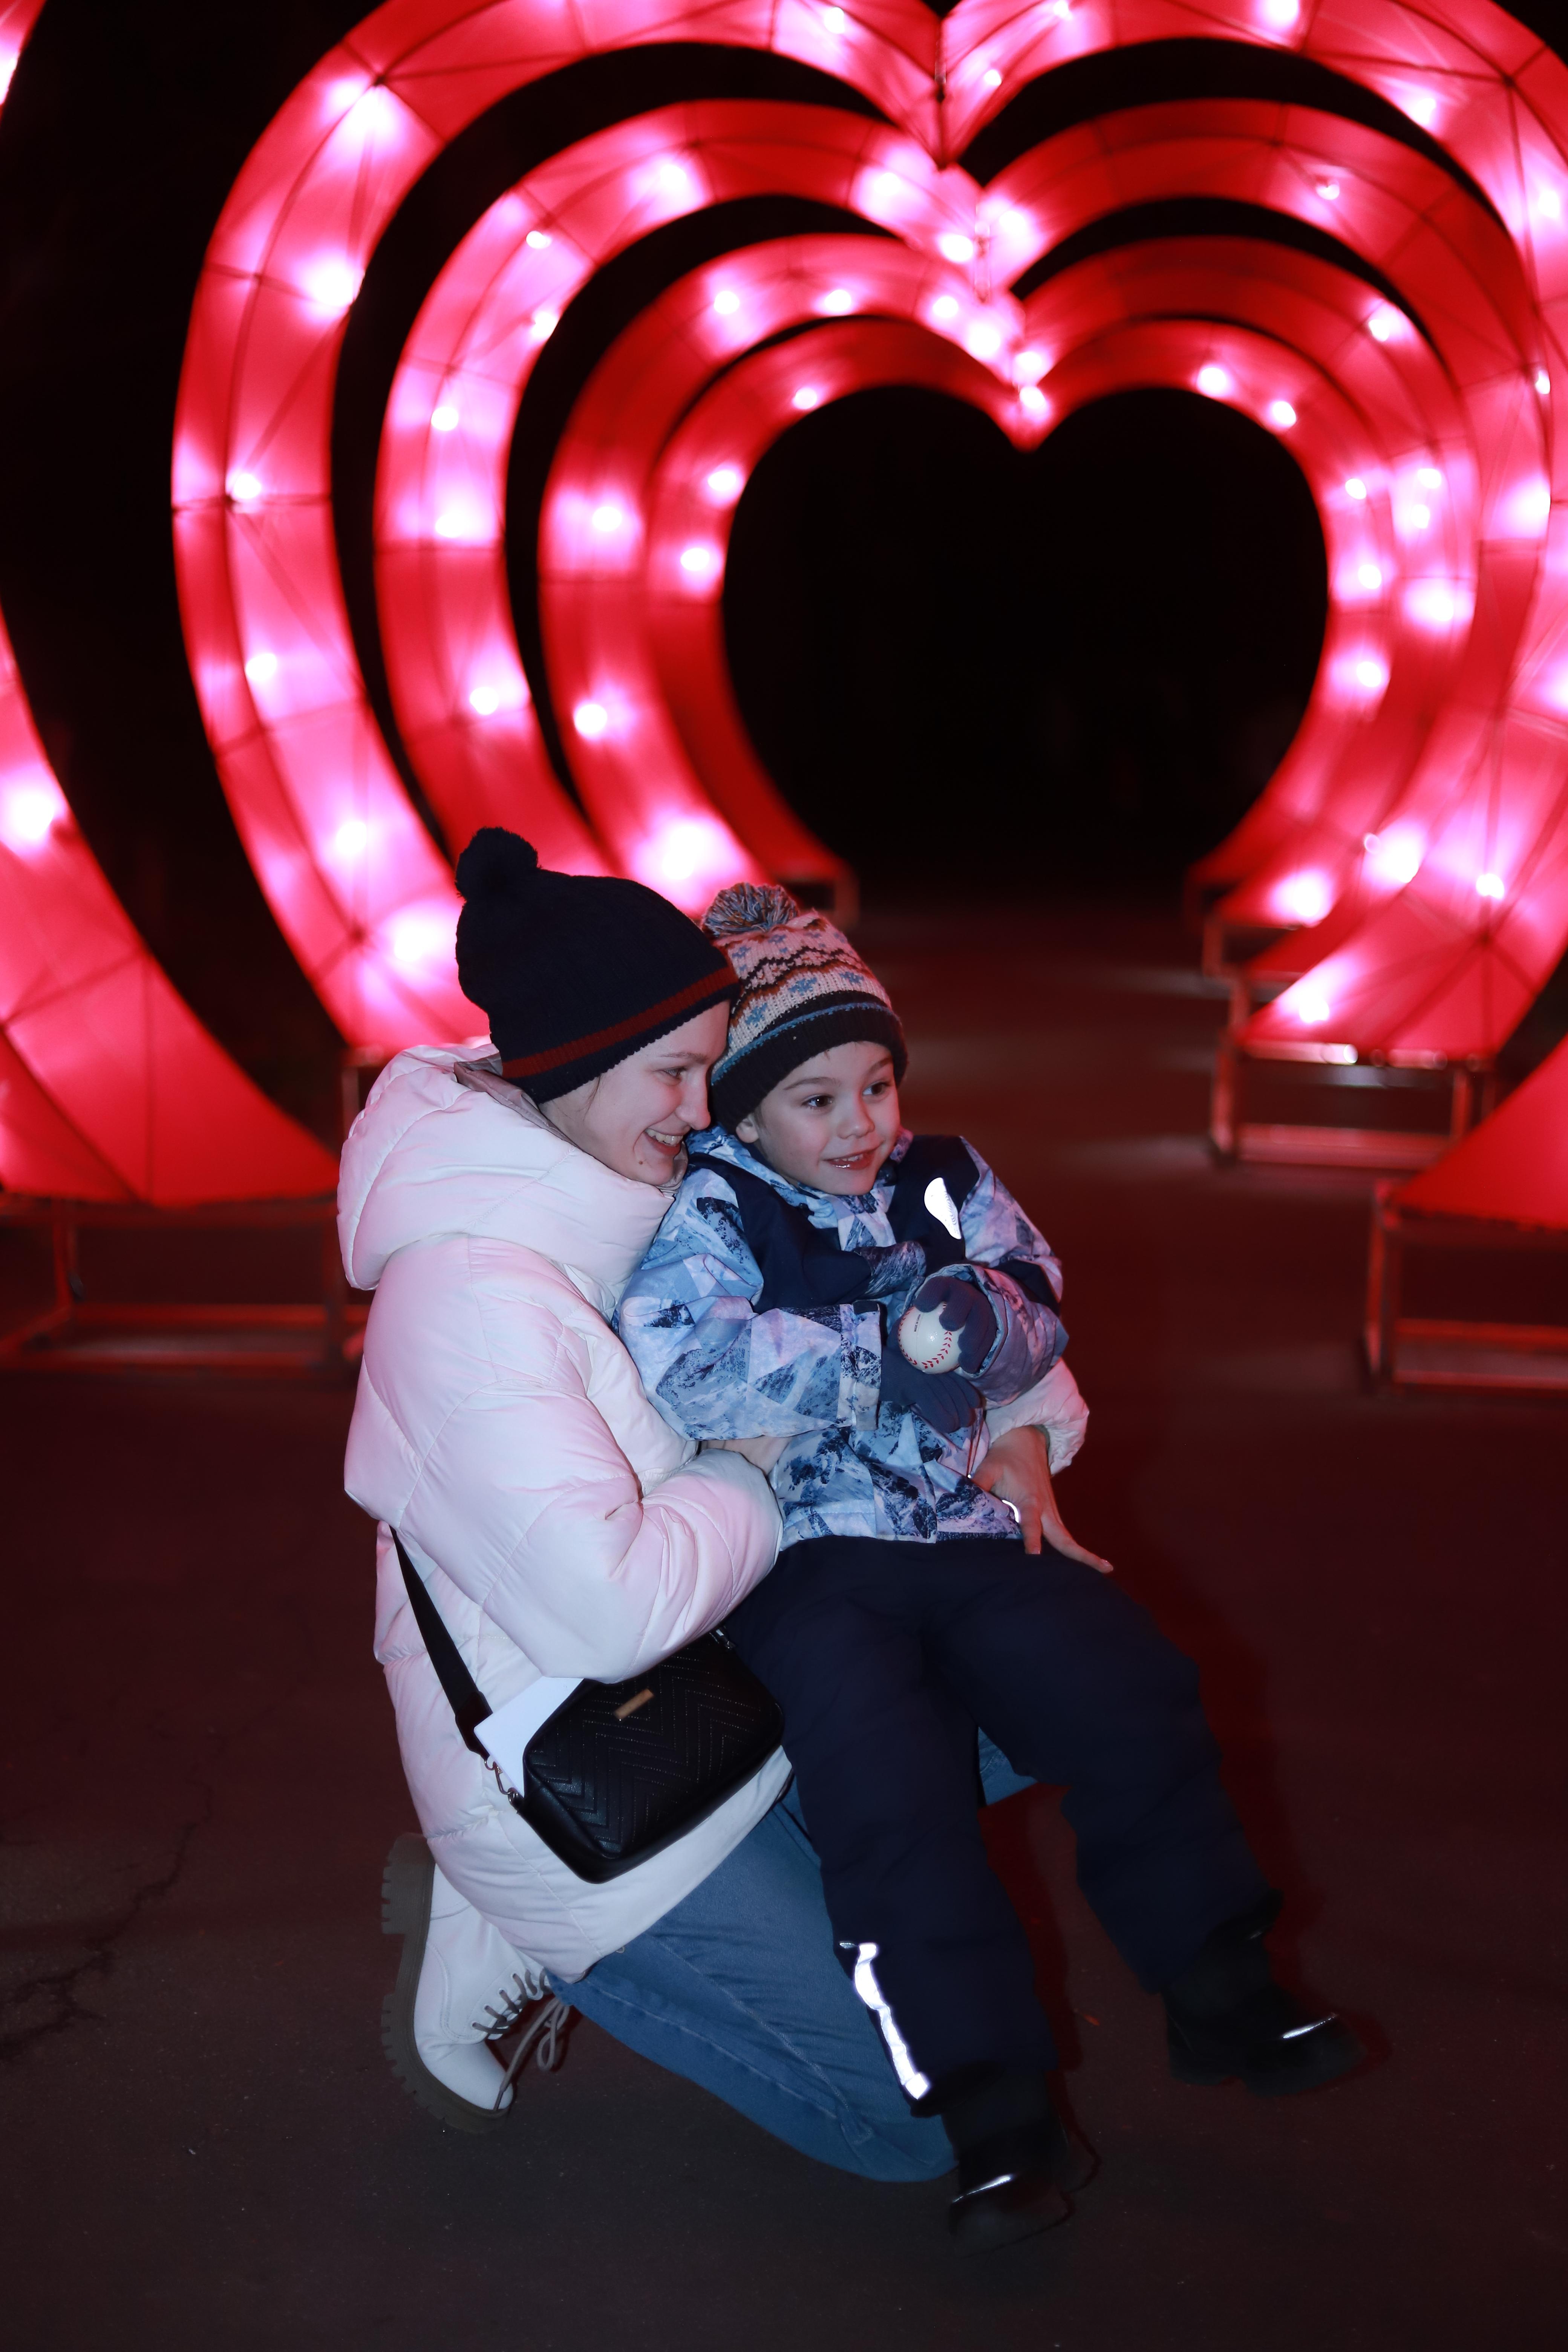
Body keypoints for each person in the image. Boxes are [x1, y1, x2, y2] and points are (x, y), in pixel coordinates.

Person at [619, 885, 1364, 2251]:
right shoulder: (715, 1205)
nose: (860, 1125)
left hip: (967, 1530)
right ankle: (988, 2102)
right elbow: (690, 1361)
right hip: (812, 1564)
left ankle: (1219, 1982)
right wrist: (887, 1358)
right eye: (816, 1101)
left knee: (1128, 1683)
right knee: (888, 1792)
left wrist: (982, 1331)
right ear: (745, 1113)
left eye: (878, 1085)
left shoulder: (943, 1177)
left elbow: (1033, 1295)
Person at [339, 829, 1066, 2193]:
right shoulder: (470, 1306)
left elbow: (910, 1278)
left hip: (729, 1668)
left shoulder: (619, 1179)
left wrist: (1024, 1424)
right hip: (586, 1761)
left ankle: (845, 1868)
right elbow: (611, 1618)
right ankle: (516, 1917)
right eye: (675, 1074)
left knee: (1053, 1673)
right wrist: (751, 1460)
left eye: (711, 1068)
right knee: (922, 2127)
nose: (704, 1106)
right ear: (574, 1067)